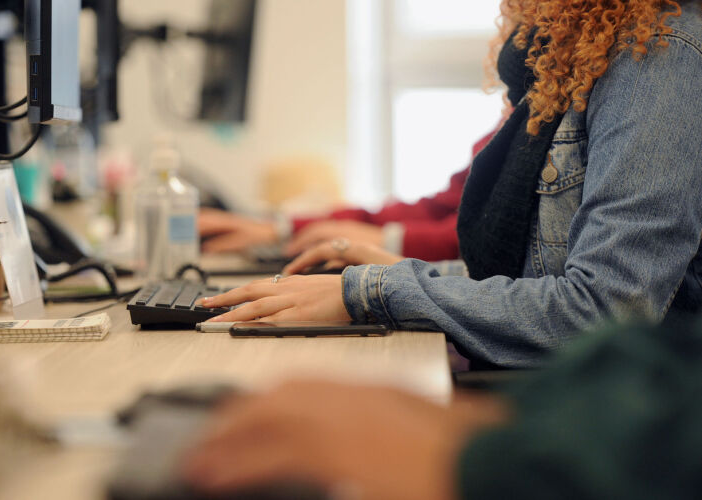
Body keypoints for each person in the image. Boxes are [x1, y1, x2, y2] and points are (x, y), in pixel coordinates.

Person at [199, 0, 702, 368]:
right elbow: (535, 274)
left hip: (605, 430)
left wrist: (374, 290)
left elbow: (603, 313)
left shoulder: (659, 58)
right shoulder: (569, 66)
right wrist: (403, 275)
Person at [182, 318, 702, 500]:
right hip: (577, 417)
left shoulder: (653, 67)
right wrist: (491, 417)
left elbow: (600, 304)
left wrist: (482, 462)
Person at [198, 129, 497, 264]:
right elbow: (435, 210)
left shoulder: (529, 128)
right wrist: (282, 227)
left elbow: (477, 237)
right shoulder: (505, 125)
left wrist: (381, 241)